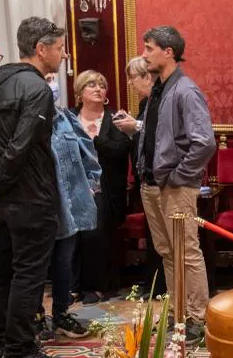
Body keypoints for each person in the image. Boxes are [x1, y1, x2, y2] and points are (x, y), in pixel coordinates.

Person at [0, 17, 65, 358]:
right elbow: (20, 148)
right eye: (59, 47)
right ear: (41, 49)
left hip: (0, 200)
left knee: (0, 270)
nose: (63, 54)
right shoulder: (37, 89)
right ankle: (20, 352)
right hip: (29, 197)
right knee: (28, 274)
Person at [134, 26, 215, 346]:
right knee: (168, 251)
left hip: (174, 186)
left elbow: (204, 142)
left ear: (169, 52)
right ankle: (178, 311)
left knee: (187, 252)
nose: (144, 54)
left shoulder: (185, 90)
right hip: (152, 184)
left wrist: (180, 176)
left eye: (150, 48)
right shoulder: (158, 88)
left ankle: (197, 317)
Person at [38, 71, 100, 340]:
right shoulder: (27, 122)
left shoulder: (65, 118)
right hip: (38, 206)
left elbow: (88, 152)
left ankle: (61, 313)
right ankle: (36, 317)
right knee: (37, 266)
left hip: (69, 206)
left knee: (64, 262)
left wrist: (89, 183)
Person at [73, 70, 131, 304]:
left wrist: (96, 139)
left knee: (95, 234)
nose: (98, 89)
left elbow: (120, 151)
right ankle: (72, 286)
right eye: (91, 85)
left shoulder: (115, 120)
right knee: (71, 236)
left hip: (104, 189)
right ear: (80, 93)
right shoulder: (68, 119)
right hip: (73, 187)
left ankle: (96, 286)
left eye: (102, 85)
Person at [113, 57, 164, 293]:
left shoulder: (162, 99)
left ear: (146, 77)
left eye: (132, 78)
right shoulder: (146, 102)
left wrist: (137, 126)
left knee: (162, 239)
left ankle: (160, 286)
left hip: (161, 178)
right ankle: (154, 284)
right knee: (153, 236)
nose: (130, 84)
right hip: (146, 177)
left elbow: (163, 134)